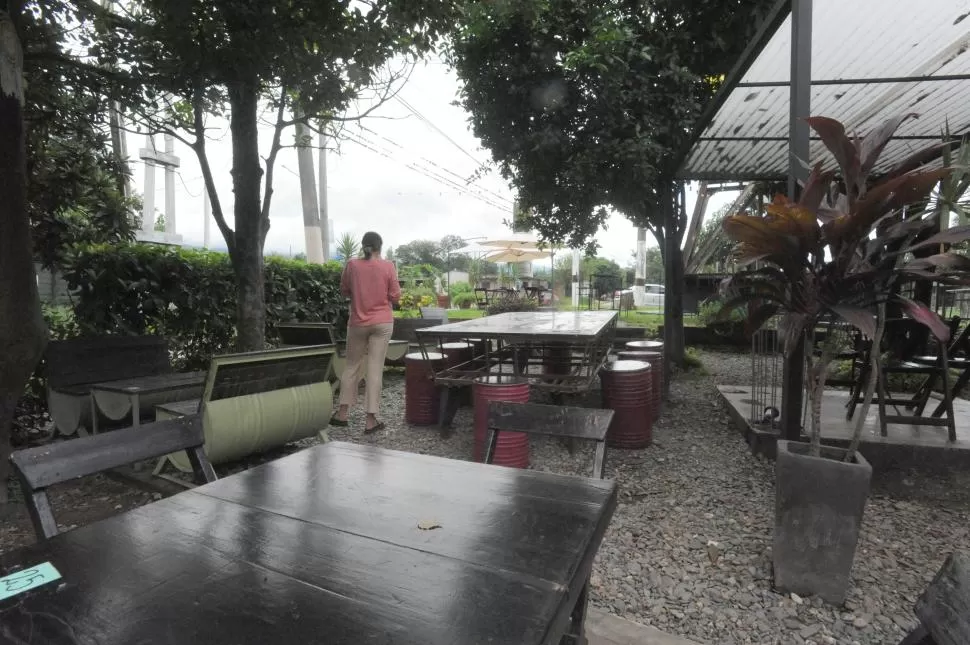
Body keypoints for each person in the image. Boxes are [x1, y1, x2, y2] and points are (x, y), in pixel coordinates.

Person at [330, 231, 401, 433]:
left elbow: (344, 289)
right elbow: (395, 296)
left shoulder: (352, 265)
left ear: (363, 246)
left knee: (351, 366)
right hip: (382, 323)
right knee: (375, 368)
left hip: (358, 323)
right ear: (380, 246)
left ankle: (342, 414)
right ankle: (371, 420)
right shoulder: (388, 266)